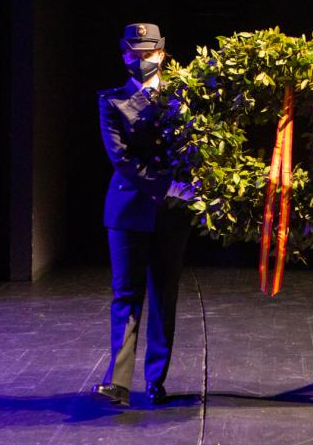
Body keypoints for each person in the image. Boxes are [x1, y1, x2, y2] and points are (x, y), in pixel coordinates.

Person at [91, 23, 193, 407]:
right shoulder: (111, 100)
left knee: (165, 296)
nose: (140, 60)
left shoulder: (183, 98)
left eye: (147, 53)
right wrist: (167, 185)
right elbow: (122, 159)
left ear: (161, 54)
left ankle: (156, 379)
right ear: (123, 55)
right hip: (129, 209)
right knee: (126, 296)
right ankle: (117, 382)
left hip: (171, 213)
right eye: (133, 54)